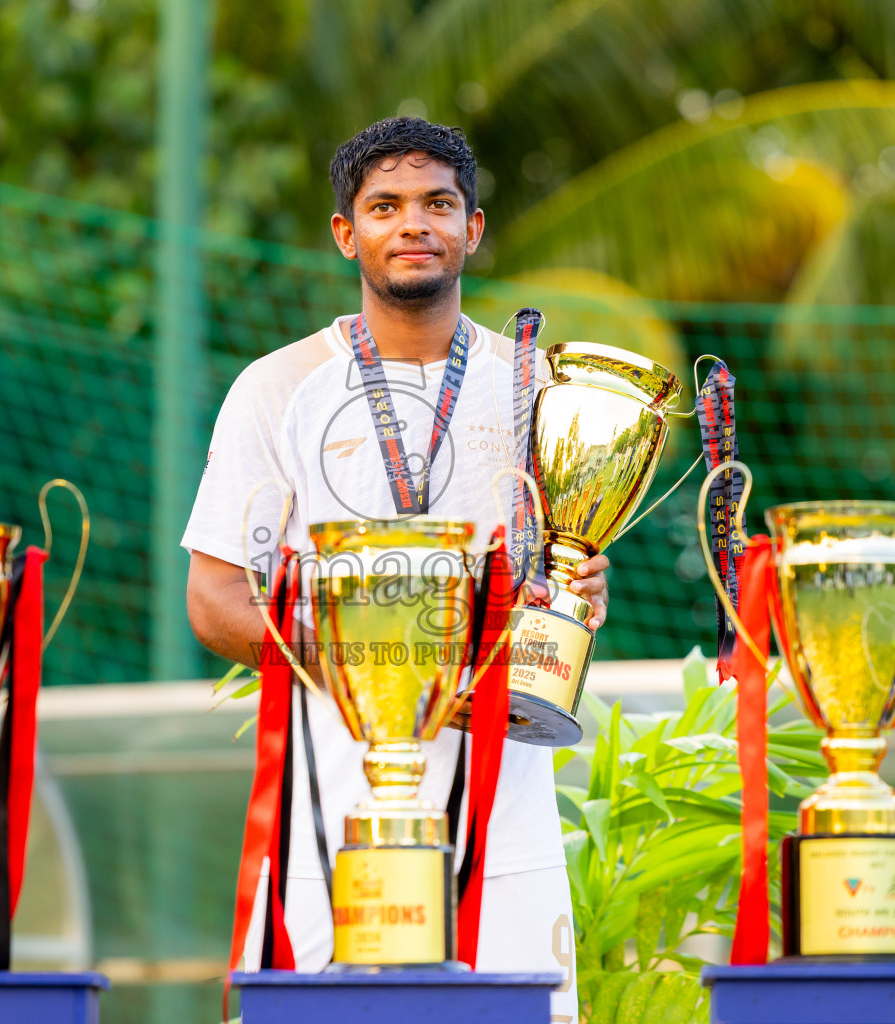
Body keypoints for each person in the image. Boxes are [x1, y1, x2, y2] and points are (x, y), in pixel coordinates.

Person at [182, 117, 609, 1022]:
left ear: (473, 228)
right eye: (385, 206)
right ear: (348, 234)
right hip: (327, 809)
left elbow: (555, 582)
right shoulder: (277, 386)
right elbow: (216, 602)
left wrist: (573, 598)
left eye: (436, 204)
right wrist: (376, 654)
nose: (412, 224)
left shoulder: (540, 390)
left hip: (501, 811)